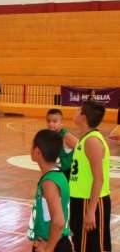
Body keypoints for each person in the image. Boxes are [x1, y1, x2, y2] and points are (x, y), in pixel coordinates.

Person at [69, 101, 111, 252]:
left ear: (83, 117)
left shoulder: (92, 141)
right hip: (80, 200)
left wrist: (91, 210)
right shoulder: (85, 138)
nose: (75, 110)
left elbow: (99, 179)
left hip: (90, 201)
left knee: (93, 248)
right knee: (81, 245)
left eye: (78, 109)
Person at [28, 129, 73, 252]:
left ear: (37, 151)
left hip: (53, 244)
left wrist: (48, 248)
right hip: (55, 241)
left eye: (32, 145)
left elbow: (58, 221)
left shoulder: (49, 182)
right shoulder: (59, 175)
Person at [45, 108, 78, 180]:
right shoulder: (52, 135)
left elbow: (82, 148)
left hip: (69, 173)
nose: (51, 124)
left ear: (61, 123)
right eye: (48, 121)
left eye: (54, 121)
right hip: (59, 171)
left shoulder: (66, 136)